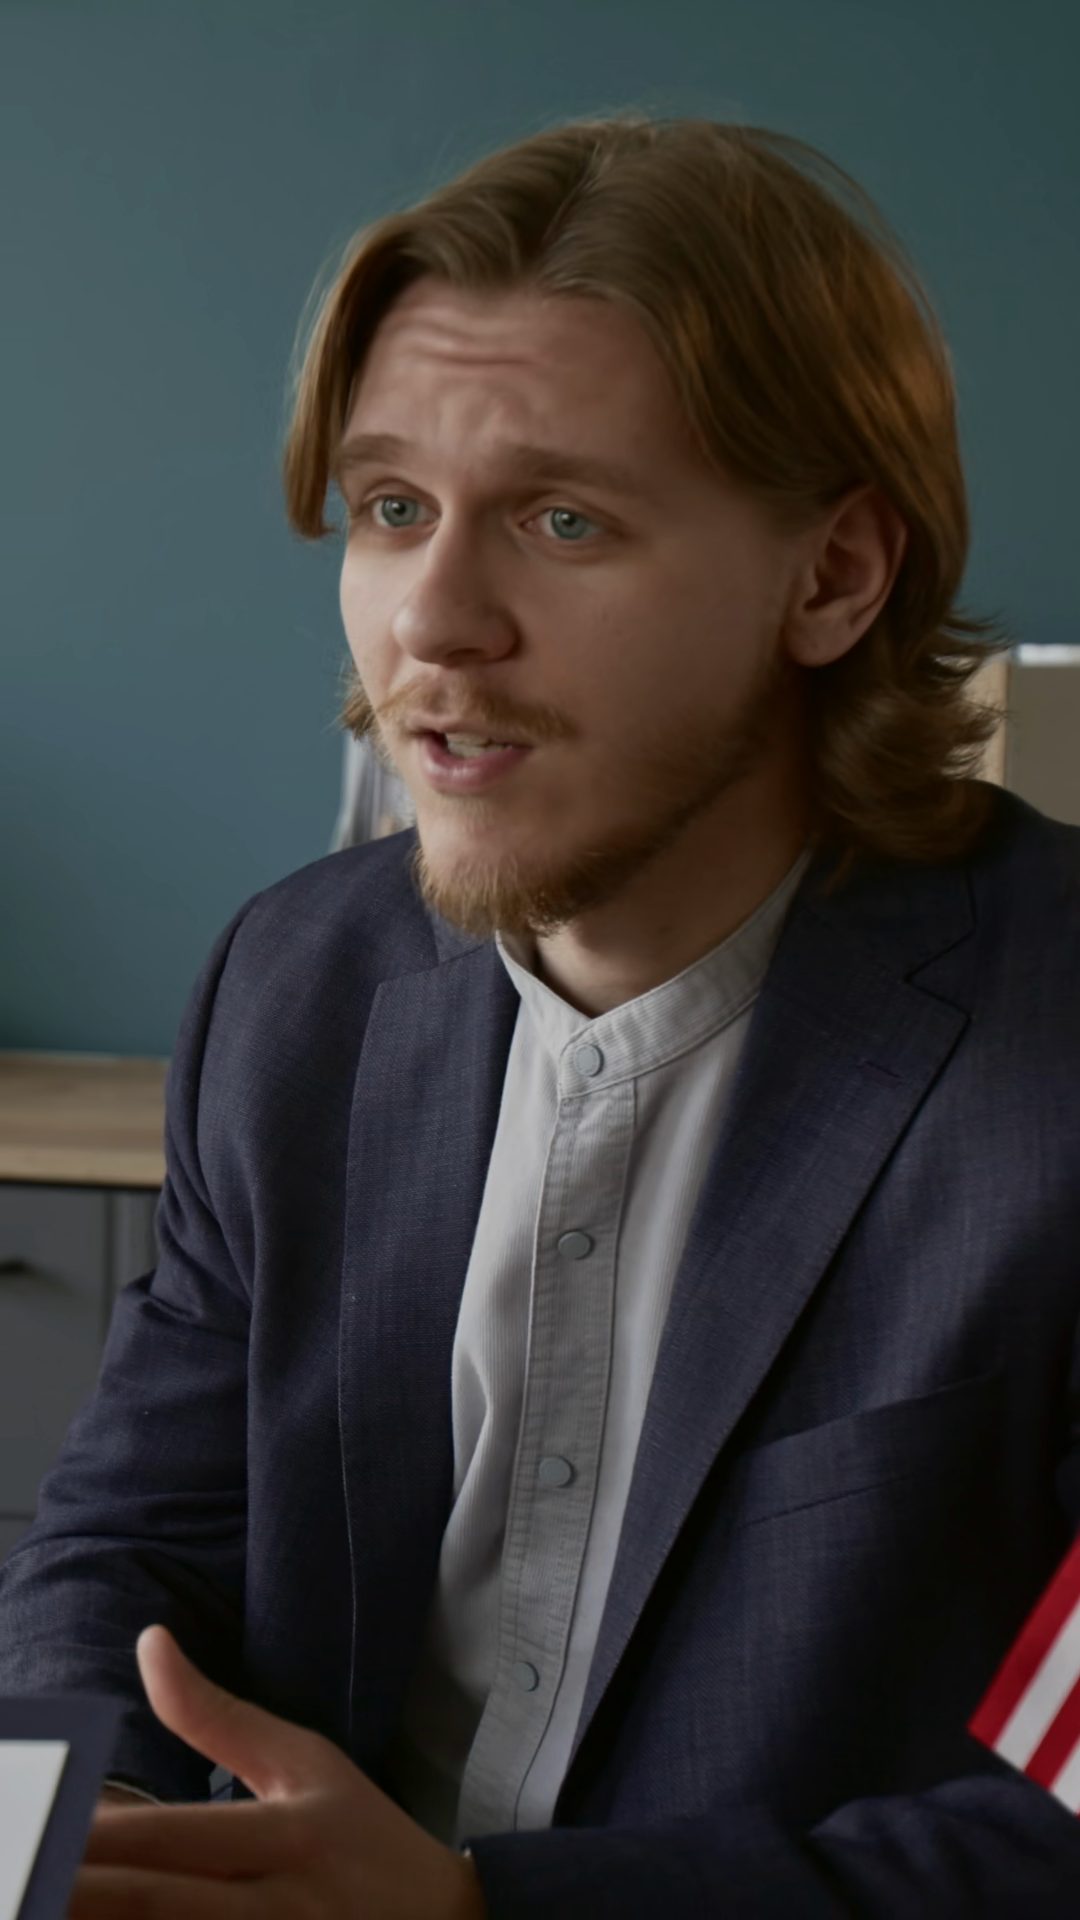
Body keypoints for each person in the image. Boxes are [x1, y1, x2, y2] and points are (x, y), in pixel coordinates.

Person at [3, 114, 1080, 1918]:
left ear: (834, 577)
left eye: (563, 521)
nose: (432, 622)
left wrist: (472, 1916)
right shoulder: (292, 985)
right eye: (390, 511)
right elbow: (127, 1545)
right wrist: (84, 1842)